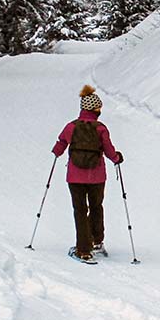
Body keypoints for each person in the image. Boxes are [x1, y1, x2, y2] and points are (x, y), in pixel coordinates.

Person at [52, 84, 123, 263]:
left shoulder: (71, 127)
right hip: (97, 176)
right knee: (96, 207)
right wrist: (117, 158)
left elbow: (61, 142)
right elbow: (108, 150)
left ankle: (83, 250)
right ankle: (97, 241)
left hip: (75, 176)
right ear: (96, 109)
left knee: (80, 210)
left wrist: (56, 152)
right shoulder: (101, 128)